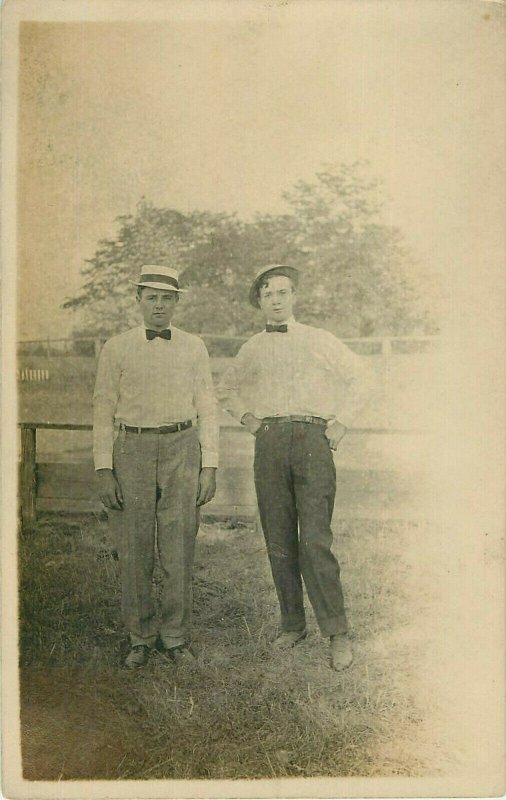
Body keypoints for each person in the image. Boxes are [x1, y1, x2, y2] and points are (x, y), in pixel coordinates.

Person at [219, 265, 374, 671]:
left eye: (283, 292)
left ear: (294, 297)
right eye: (268, 293)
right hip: (270, 441)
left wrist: (342, 421)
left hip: (312, 440)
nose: (276, 299)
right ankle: (292, 624)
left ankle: (337, 633)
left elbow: (362, 377)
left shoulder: (319, 340)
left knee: (316, 541)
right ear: (259, 300)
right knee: (279, 537)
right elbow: (226, 388)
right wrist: (249, 420)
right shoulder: (252, 347)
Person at [93, 265, 219, 669]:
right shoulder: (117, 347)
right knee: (134, 545)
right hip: (131, 448)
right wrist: (103, 468)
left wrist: (210, 464)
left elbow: (208, 407)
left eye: (167, 298)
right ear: (138, 300)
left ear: (177, 301)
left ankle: (176, 637)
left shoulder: (194, 346)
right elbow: (102, 409)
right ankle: (141, 637)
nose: (159, 305)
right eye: (152, 297)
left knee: (179, 542)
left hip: (183, 446)